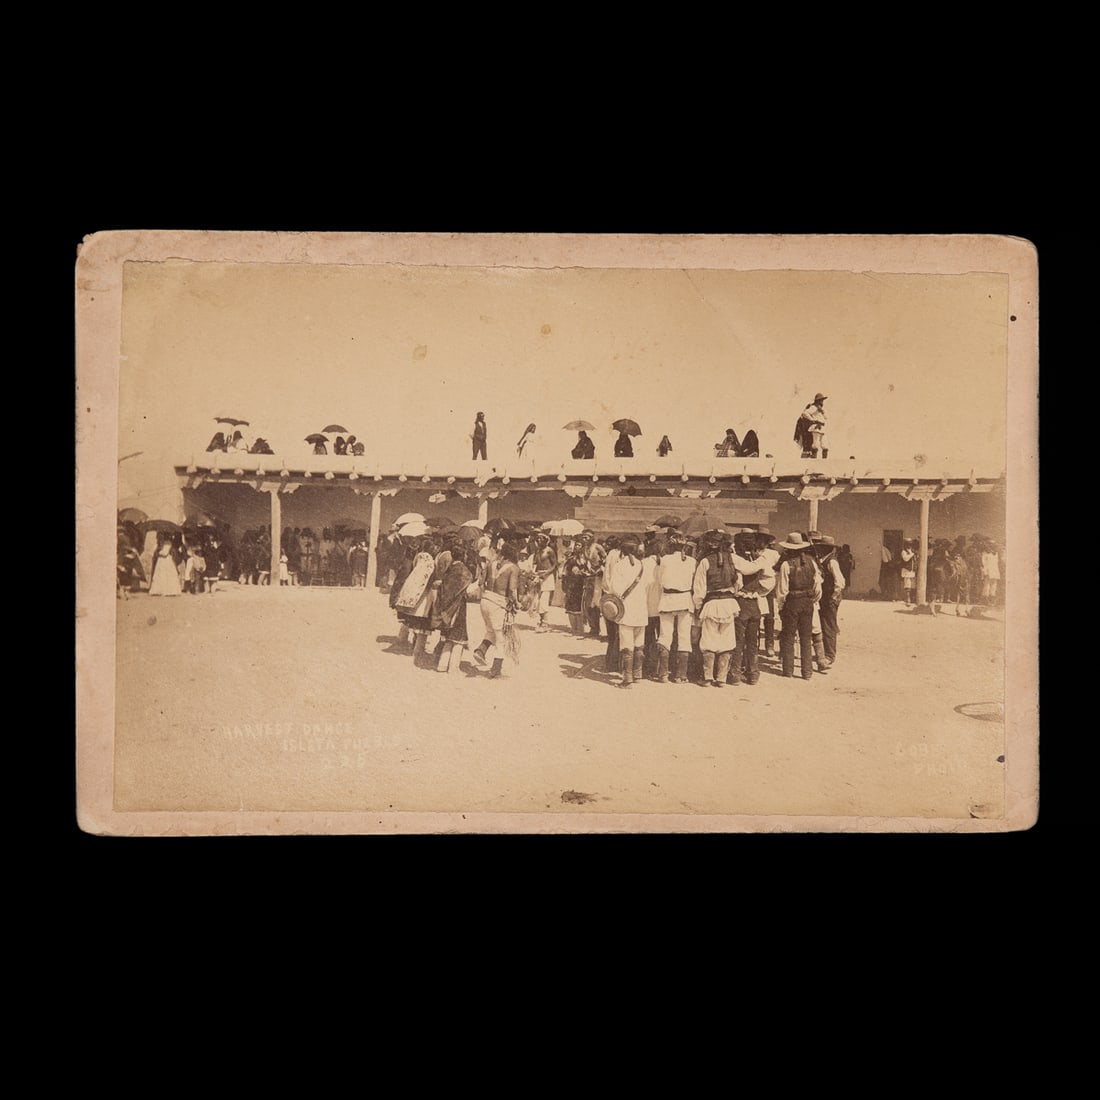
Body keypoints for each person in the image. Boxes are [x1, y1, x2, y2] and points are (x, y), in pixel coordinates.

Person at [603, 534, 649, 688]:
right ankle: (638, 674)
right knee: (639, 644)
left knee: (626, 645)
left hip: (626, 610)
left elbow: (614, 588)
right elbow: (647, 586)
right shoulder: (642, 565)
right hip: (641, 609)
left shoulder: (619, 565)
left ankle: (627, 679)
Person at [471, 539, 520, 679]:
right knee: (501, 639)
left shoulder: (491, 563)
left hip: (485, 600)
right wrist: (516, 603)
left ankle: (480, 651)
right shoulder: (513, 568)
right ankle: (495, 670)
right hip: (498, 603)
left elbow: (481, 582)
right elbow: (512, 590)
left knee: (490, 630)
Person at [776, 532, 822, 679]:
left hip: (792, 602)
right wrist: (812, 600)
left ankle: (788, 671)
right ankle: (807, 672)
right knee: (806, 637)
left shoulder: (786, 564)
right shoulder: (812, 562)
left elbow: (782, 590)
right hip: (807, 602)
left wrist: (781, 606)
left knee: (789, 637)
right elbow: (817, 587)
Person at [655, 531, 695, 684]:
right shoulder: (691, 561)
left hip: (668, 600)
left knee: (665, 636)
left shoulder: (664, 560)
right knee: (684, 637)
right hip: (685, 601)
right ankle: (680, 675)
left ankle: (663, 674)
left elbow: (659, 581)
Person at [813, 535, 845, 666]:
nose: (819, 550)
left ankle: (830, 655)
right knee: (824, 623)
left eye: (821, 547)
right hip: (824, 597)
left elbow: (840, 582)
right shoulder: (822, 560)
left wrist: (833, 596)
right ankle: (826, 651)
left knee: (829, 625)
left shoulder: (832, 562)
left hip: (830, 597)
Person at [532, 533, 557, 632]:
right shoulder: (538, 551)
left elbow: (555, 565)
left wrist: (546, 572)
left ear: (545, 540)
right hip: (539, 576)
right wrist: (535, 573)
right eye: (537, 539)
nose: (538, 541)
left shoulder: (550, 551)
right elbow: (536, 564)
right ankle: (542, 621)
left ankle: (545, 623)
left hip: (547, 578)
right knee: (537, 602)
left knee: (543, 602)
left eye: (540, 539)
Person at [795, 394, 828, 458]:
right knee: (815, 444)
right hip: (816, 426)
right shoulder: (814, 407)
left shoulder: (822, 409)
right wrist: (813, 420)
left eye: (822, 400)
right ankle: (814, 459)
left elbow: (827, 417)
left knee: (825, 445)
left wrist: (822, 411)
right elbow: (805, 413)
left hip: (822, 427)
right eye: (821, 400)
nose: (822, 402)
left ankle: (825, 461)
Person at [900, 539, 917, 606]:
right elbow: (905, 559)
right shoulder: (904, 551)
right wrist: (912, 554)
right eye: (908, 544)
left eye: (911, 544)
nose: (910, 545)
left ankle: (912, 599)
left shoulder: (912, 551)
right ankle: (907, 599)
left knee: (913, 585)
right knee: (907, 584)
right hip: (906, 570)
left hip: (912, 570)